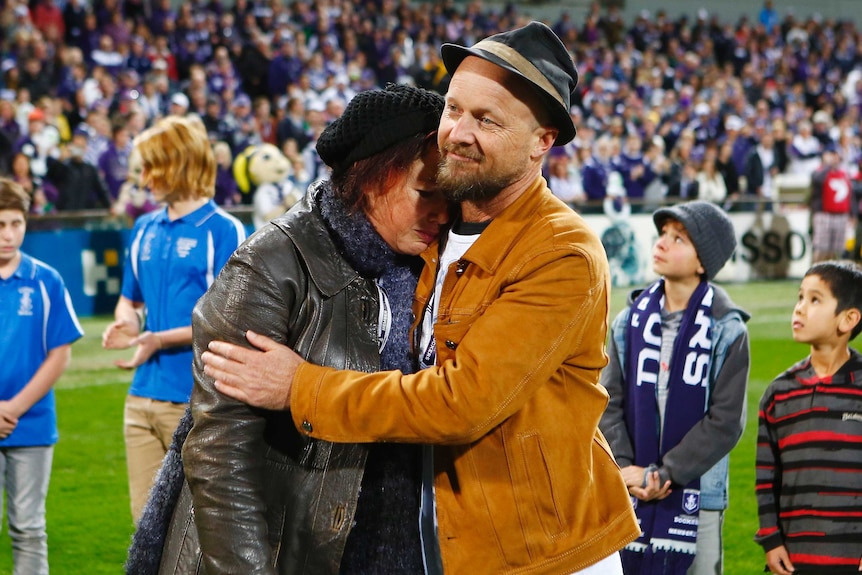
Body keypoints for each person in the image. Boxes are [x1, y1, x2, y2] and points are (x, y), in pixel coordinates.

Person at [202, 21, 640, 575]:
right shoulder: (431, 225)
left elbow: (461, 403)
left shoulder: (561, 252)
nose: (458, 132)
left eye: (487, 120)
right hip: (450, 546)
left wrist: (300, 387)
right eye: (453, 109)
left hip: (541, 553)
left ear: (541, 142)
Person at [127, 84, 449, 574]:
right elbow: (220, 452)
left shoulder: (429, 265)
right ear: (372, 176)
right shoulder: (272, 262)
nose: (441, 213)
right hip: (282, 554)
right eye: (426, 193)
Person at [101, 115, 246, 524]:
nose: (143, 178)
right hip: (140, 399)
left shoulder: (224, 231)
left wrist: (158, 339)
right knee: (144, 530)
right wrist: (127, 323)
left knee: (196, 534)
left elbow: (227, 321)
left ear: (179, 163)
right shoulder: (144, 228)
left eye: (151, 166)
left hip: (195, 402)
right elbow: (128, 300)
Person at [599, 200, 751, 575]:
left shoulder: (728, 329)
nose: (663, 243)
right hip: (629, 485)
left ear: (703, 263)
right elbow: (607, 401)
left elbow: (725, 422)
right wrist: (626, 468)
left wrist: (665, 473)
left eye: (679, 238)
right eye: (663, 234)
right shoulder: (628, 320)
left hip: (699, 496)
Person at [754, 260, 862, 575]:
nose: (800, 308)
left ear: (848, 319)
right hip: (795, 560)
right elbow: (766, 477)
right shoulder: (778, 393)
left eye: (815, 300)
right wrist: (771, 541)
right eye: (800, 297)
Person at [0, 177, 84, 574]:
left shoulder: (46, 280)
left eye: (15, 224)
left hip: (30, 423)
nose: (8, 234)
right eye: (0, 225)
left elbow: (60, 353)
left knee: (29, 528)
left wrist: (13, 407)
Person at [809, 145, 858, 262]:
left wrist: (853, 214)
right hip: (824, 214)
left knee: (836, 250)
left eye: (837, 156)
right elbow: (817, 181)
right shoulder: (820, 171)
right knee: (821, 248)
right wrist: (828, 166)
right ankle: (816, 273)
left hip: (841, 215)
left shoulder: (845, 174)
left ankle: (830, 277)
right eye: (832, 155)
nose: (835, 158)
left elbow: (850, 195)